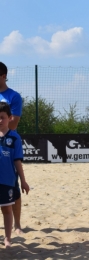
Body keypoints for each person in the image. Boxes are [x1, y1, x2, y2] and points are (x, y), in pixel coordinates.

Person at [0, 102, 29, 248]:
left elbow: (17, 162)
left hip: (7, 181)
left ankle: (7, 238)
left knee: (7, 209)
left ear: (10, 118)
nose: (0, 120)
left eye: (2, 117)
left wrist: (23, 181)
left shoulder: (15, 138)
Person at [0, 62, 24, 234]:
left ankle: (17, 225)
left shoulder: (13, 96)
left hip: (7, 142)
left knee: (12, 185)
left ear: (3, 76)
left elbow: (14, 123)